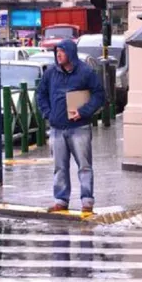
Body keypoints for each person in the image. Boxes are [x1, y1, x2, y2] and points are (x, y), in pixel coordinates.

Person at [36, 39, 106, 214]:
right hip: (57, 127)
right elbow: (41, 93)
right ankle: (61, 200)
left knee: (84, 165)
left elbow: (99, 95)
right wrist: (48, 114)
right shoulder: (51, 72)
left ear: (71, 53)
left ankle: (87, 201)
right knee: (60, 166)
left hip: (79, 127)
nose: (58, 54)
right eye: (56, 51)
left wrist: (84, 111)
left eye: (62, 51)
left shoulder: (85, 72)